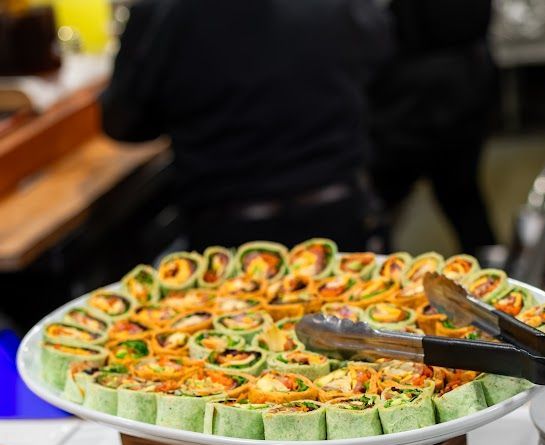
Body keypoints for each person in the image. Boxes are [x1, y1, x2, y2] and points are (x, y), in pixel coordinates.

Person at [102, 0, 392, 253]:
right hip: (341, 220)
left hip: (230, 239)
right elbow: (383, 66)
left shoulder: (163, 12)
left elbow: (124, 124)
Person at [371, 0, 497, 255]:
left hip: (408, 99)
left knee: (380, 207)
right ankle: (495, 269)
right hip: (462, 85)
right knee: (463, 198)